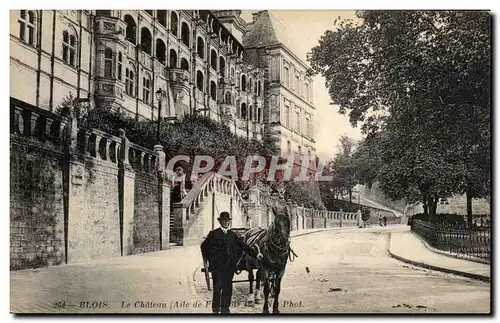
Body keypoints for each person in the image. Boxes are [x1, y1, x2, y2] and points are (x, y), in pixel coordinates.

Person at [201, 212, 263, 314]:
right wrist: (210, 260)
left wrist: (256, 254)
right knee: (217, 290)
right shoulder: (213, 234)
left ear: (229, 222)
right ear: (220, 222)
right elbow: (204, 247)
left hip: (229, 268)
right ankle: (215, 311)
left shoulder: (232, 235)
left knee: (228, 290)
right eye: (224, 221)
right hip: (217, 268)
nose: (226, 223)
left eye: (227, 221)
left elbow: (244, 246)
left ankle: (225, 311)